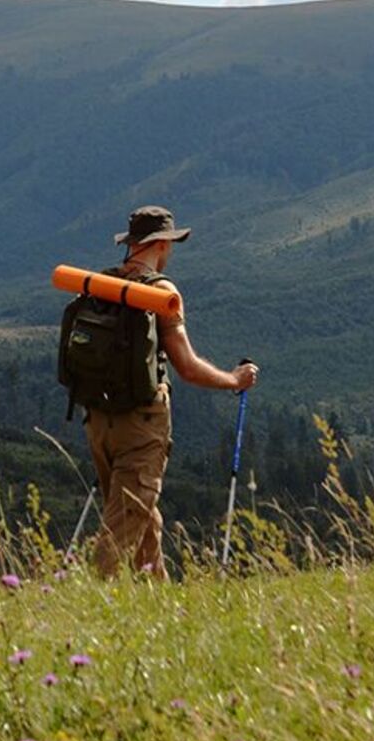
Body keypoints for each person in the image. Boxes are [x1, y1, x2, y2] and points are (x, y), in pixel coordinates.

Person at [86, 205, 258, 579]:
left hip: (99, 420)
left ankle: (159, 599)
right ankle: (86, 598)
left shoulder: (105, 283)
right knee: (124, 523)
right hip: (142, 423)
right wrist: (234, 380)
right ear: (162, 243)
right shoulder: (161, 291)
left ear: (131, 243)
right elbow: (187, 366)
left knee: (141, 515)